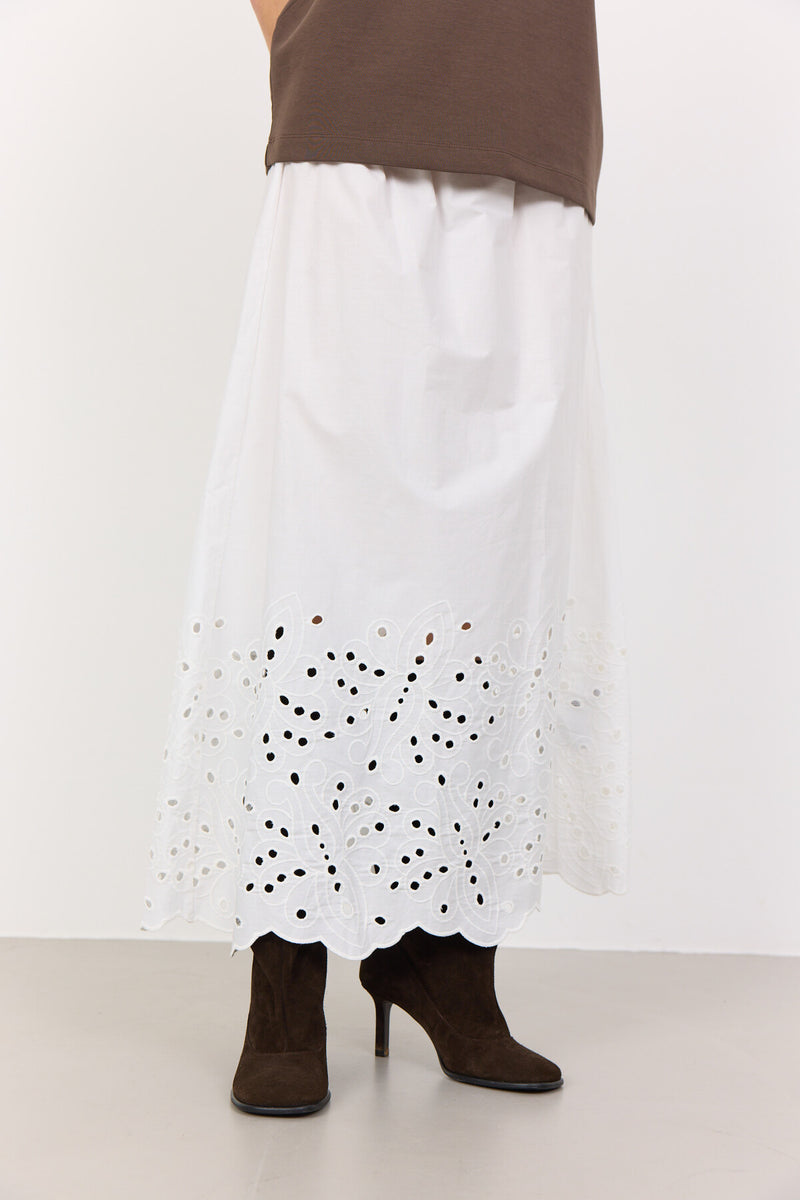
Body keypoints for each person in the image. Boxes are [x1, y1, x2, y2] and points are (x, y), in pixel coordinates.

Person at [140, 0, 632, 1116]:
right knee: (319, 540)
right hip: (352, 99)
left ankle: (441, 952)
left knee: (495, 556)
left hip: (533, 107)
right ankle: (286, 967)